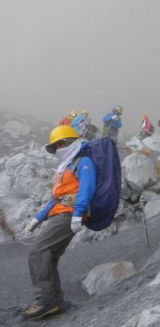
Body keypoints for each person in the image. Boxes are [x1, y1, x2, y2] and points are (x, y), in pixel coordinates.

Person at [23, 125, 96, 321]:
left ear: (70, 142)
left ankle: (45, 301)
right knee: (49, 256)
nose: (57, 149)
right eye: (55, 146)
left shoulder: (83, 161)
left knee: (38, 252)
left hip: (69, 214)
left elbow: (86, 189)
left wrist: (78, 214)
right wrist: (37, 219)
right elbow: (56, 199)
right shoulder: (66, 166)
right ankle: (54, 302)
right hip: (61, 213)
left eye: (60, 144)